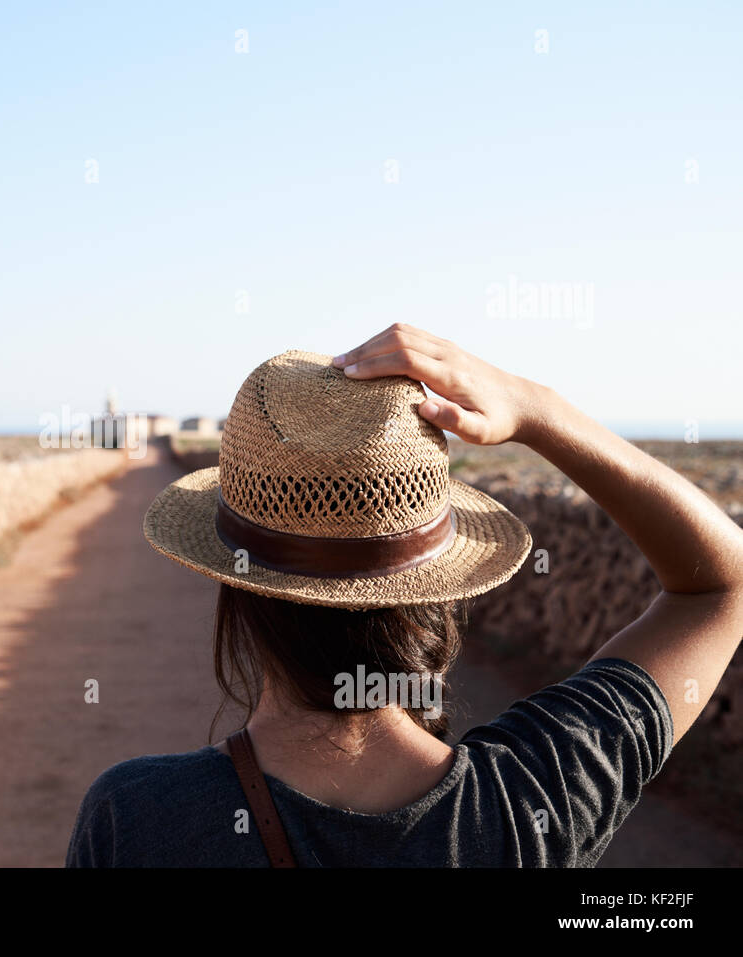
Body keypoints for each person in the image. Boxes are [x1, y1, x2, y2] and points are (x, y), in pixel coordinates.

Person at [65, 324, 743, 867]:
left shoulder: (136, 819)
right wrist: (538, 409)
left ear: (238, 590)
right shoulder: (535, 800)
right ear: (441, 592)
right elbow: (722, 584)